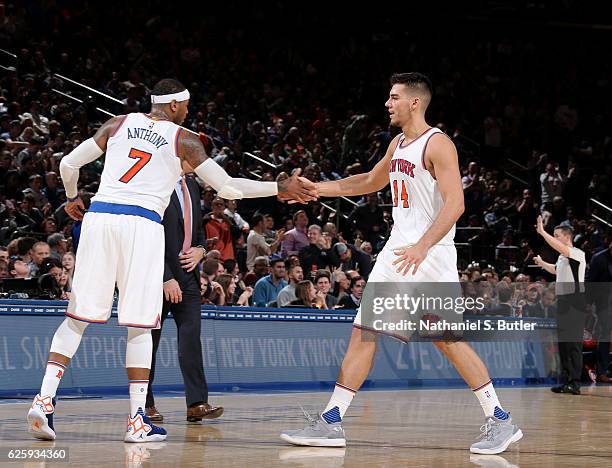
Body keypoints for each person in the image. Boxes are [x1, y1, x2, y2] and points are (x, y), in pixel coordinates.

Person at [27, 78, 316, 443]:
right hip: (142, 224)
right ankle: (136, 420)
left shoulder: (118, 123)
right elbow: (227, 188)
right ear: (177, 105)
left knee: (78, 318)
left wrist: (71, 198)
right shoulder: (184, 139)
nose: (189, 110)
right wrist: (280, 188)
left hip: (100, 217)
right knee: (140, 325)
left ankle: (44, 400)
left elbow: (68, 163)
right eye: (188, 105)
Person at [281, 73, 522, 454]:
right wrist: (317, 189)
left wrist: (423, 246)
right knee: (364, 331)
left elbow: (456, 204)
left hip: (430, 256)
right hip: (398, 252)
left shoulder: (437, 144)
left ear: (415, 102)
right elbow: (370, 181)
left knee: (446, 339)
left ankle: (500, 419)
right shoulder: (398, 143)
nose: (387, 103)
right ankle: (331, 421)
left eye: (394, 97)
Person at [145, 169, 223, 425]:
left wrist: (201, 250)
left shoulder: (191, 185)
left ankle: (197, 403)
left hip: (189, 276)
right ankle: (145, 405)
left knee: (191, 339)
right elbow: (149, 233)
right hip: (157, 277)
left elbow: (197, 230)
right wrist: (165, 277)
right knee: (149, 344)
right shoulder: (155, 180)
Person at [534, 217, 587, 394]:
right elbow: (556, 270)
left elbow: (560, 248)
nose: (555, 239)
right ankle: (566, 381)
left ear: (566, 237)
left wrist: (542, 232)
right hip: (563, 302)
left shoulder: (577, 253)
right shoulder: (563, 257)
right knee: (563, 344)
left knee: (573, 345)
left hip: (575, 301)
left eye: (557, 236)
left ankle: (575, 382)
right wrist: (542, 263)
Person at [586, 239, 612, 383]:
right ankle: (602, 371)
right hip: (604, 302)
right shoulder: (599, 258)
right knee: (605, 333)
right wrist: (588, 303)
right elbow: (590, 282)